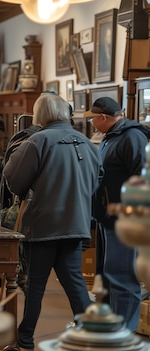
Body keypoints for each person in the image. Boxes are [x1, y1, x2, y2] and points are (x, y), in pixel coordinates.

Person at [3, 93, 103, 351]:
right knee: (75, 284)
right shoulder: (87, 143)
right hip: (76, 224)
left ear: (41, 114)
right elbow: (96, 182)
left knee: (35, 285)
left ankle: (24, 340)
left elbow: (15, 181)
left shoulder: (37, 141)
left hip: (43, 225)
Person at [89, 97, 150, 331]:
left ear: (103, 118)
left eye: (93, 118)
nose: (92, 123)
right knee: (110, 276)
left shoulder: (131, 136)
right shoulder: (112, 136)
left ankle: (123, 335)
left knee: (123, 279)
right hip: (109, 218)